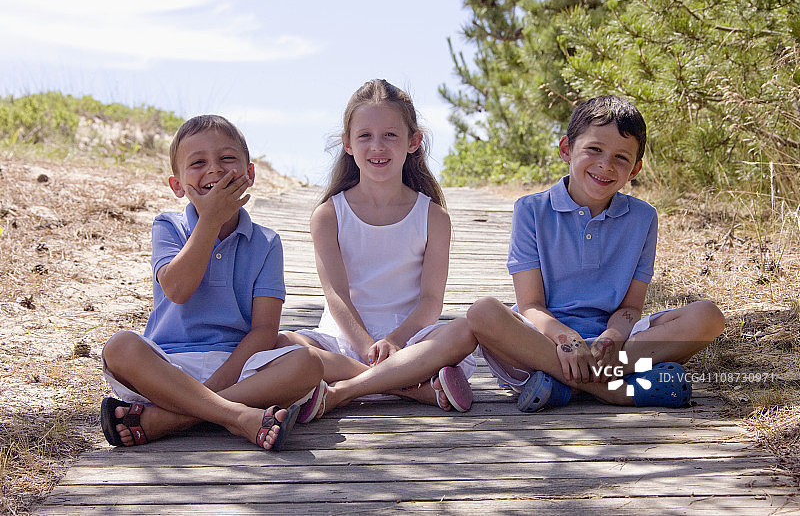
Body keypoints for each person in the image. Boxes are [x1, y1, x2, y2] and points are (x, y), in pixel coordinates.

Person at [466, 95, 725, 412]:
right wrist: (568, 340)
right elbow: (531, 305)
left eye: (621, 157)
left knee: (708, 316)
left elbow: (631, 308)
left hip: (615, 349)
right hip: (545, 341)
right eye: (594, 149)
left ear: (635, 169)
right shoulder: (531, 210)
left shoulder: (643, 218)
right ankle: (614, 391)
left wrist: (613, 337)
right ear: (566, 149)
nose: (605, 165)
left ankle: (567, 386)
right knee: (483, 312)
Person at [100, 115, 324, 451]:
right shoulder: (168, 226)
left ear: (249, 174)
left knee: (308, 363)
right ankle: (238, 417)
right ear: (177, 185)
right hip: (168, 367)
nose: (214, 170)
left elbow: (264, 330)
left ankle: (165, 420)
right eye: (198, 163)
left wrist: (216, 385)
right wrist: (209, 221)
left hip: (238, 366)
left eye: (227, 159)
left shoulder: (266, 242)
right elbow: (177, 290)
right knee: (119, 347)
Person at [277, 79, 478, 419]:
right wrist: (367, 347)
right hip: (343, 340)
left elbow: (431, 300)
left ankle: (344, 390)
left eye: (390, 135)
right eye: (365, 136)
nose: (377, 146)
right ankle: (411, 388)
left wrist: (396, 342)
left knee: (465, 331)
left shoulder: (433, 217)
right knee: (283, 343)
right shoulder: (329, 215)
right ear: (348, 144)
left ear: (413, 142)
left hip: (412, 339)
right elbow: (336, 294)